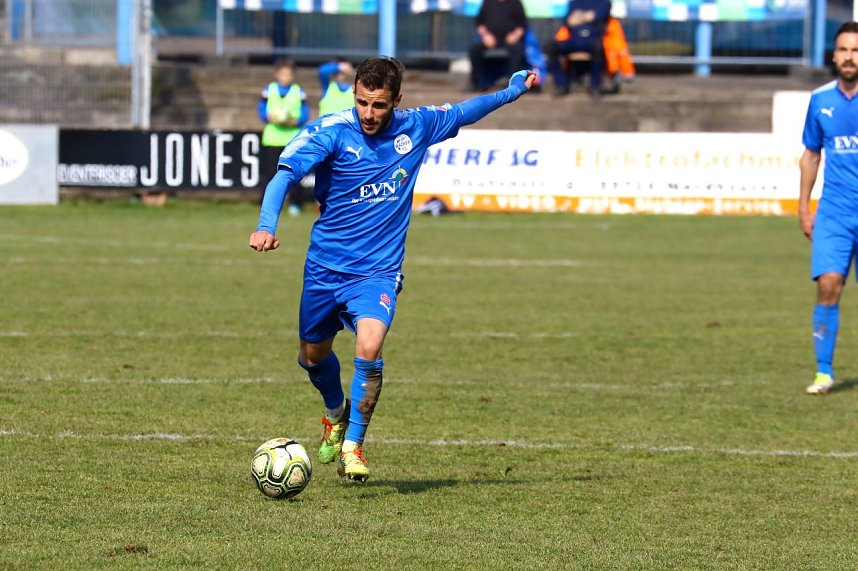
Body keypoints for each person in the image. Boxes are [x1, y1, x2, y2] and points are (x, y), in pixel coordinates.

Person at [248, 57, 537, 481]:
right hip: (325, 268)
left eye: (379, 106)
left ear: (396, 101)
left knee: (369, 345)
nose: (369, 114)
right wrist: (265, 226)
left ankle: (354, 447)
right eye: (363, 103)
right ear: (355, 96)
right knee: (312, 357)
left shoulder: (416, 126)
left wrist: (513, 91)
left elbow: (466, 110)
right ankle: (334, 414)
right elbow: (284, 176)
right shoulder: (331, 131)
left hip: (379, 271)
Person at [798, 21, 858, 395]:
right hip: (834, 213)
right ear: (833, 55)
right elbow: (810, 156)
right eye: (844, 50)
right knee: (829, 284)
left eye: (856, 50)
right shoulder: (821, 101)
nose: (850, 57)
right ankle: (824, 372)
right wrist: (804, 208)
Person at [258, 60, 309, 215]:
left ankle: (295, 203)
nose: (285, 77)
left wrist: (297, 121)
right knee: (270, 174)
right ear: (277, 75)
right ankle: (267, 204)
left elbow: (305, 113)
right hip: (272, 139)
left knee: (294, 173)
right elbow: (261, 108)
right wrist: (267, 117)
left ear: (293, 76)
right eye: (283, 74)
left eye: (288, 74)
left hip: (292, 139)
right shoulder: (269, 90)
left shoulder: (298, 91)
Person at [545, 0, 611, 98]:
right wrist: (586, 16)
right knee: (552, 47)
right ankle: (561, 84)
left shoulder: (604, 2)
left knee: (598, 48)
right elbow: (569, 21)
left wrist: (579, 16)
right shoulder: (574, 2)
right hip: (574, 39)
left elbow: (596, 16)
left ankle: (595, 86)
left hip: (593, 38)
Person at [468, 0, 528, 92]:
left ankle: (513, 84)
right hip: (490, 39)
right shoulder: (487, 2)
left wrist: (515, 35)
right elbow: (479, 23)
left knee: (517, 49)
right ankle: (477, 83)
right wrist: (485, 35)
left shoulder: (516, 3)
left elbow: (522, 25)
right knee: (474, 49)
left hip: (510, 40)